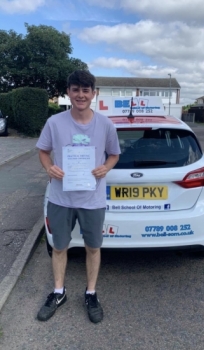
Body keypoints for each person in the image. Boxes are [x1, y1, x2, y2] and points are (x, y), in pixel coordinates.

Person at [36, 70, 120, 323]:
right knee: (59, 247)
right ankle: (59, 292)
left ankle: (91, 293)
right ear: (69, 92)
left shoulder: (105, 125)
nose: (80, 95)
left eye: (86, 90)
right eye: (75, 89)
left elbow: (114, 154)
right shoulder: (55, 122)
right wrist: (49, 167)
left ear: (94, 93)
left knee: (93, 248)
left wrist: (106, 167)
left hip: (92, 201)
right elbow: (43, 151)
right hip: (61, 199)